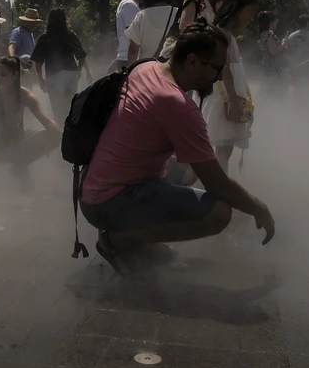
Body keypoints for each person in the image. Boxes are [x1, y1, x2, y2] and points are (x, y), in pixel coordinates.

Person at [80, 21, 276, 276]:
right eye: (217, 68)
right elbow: (217, 185)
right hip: (110, 200)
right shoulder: (177, 104)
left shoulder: (148, 68)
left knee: (188, 168)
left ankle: (135, 236)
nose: (219, 78)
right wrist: (258, 207)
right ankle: (118, 240)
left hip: (94, 188)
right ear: (192, 61)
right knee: (218, 212)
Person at [182, 0, 260, 186]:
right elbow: (224, 69)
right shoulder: (223, 34)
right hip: (224, 98)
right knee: (222, 152)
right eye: (249, 11)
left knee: (216, 153)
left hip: (225, 97)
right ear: (236, 7)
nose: (251, 16)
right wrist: (233, 99)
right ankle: (220, 199)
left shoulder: (224, 32)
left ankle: (190, 186)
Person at [0, 57, 62, 177]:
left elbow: (48, 122)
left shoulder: (25, 95)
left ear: (15, 76)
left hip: (17, 142)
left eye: (3, 75)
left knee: (54, 135)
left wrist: (60, 137)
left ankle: (19, 164)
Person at [31, 9, 91, 122]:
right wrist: (79, 71)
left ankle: (59, 135)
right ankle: (71, 134)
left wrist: (40, 79)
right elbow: (81, 56)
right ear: (64, 20)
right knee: (69, 108)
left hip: (54, 76)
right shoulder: (70, 35)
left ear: (49, 21)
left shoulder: (45, 37)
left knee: (58, 110)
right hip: (71, 75)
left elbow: (38, 62)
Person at [126, 0, 178, 64]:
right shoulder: (178, 14)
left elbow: (133, 50)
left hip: (146, 71)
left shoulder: (141, 16)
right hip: (171, 71)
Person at [115, 0, 150, 71]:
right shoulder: (129, 5)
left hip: (126, 57)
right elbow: (133, 35)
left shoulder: (130, 4)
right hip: (129, 59)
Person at [286, 14, 309, 98]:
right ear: (308, 23)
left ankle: (297, 109)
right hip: (307, 67)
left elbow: (288, 53)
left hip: (295, 67)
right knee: (304, 91)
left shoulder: (291, 36)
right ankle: (301, 109)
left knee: (297, 90)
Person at [257, 11, 287, 95]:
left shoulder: (263, 33)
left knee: (267, 91)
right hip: (272, 67)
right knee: (275, 91)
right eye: (275, 22)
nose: (276, 25)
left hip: (267, 66)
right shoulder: (269, 33)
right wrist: (284, 43)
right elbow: (274, 51)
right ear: (271, 22)